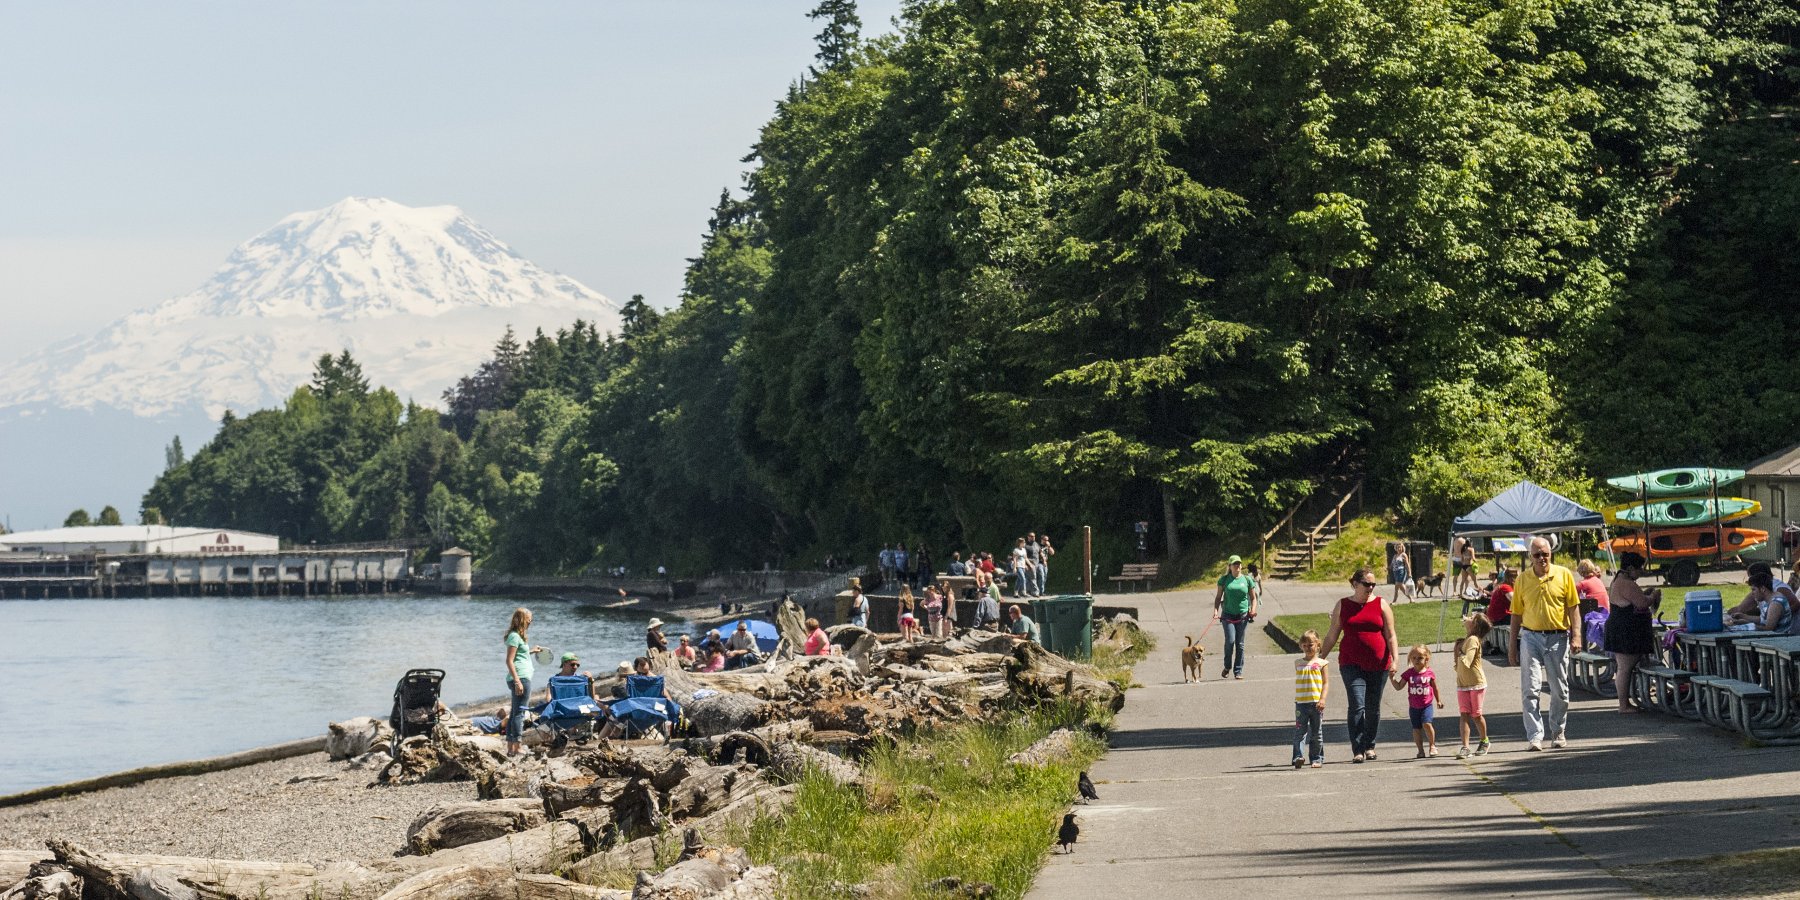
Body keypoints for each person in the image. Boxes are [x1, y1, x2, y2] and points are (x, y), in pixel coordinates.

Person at [1509, 536, 1582, 751]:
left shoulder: (1564, 575)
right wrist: (1512, 646)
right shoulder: (1523, 579)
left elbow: (1573, 608)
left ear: (1551, 554)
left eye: (1545, 554)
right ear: (1530, 557)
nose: (1542, 559)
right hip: (1531, 636)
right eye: (1537, 555)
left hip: (1557, 637)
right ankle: (1534, 736)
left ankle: (1558, 731)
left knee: (1559, 689)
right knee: (1530, 688)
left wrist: (1577, 635)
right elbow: (1516, 615)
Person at [1320, 568, 1398, 763]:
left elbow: (1391, 634)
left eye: (1373, 584)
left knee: (1373, 707)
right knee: (1357, 705)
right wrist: (1319, 658)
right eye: (1366, 584)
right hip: (1350, 663)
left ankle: (1370, 745)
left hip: (1379, 664)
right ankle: (1358, 749)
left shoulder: (1381, 604)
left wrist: (1395, 660)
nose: (1370, 588)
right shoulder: (1343, 605)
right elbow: (1332, 635)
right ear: (1355, 584)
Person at [1604, 552, 1660, 712]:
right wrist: (1653, 596)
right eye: (1639, 569)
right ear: (1630, 568)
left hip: (1623, 628)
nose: (1641, 572)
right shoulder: (1626, 583)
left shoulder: (1619, 580)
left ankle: (1627, 702)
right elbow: (1642, 603)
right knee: (1625, 668)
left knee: (1624, 668)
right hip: (1625, 631)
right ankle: (1624, 705)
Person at [502, 607, 545, 757]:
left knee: (515, 713)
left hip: (521, 677)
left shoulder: (518, 637)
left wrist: (531, 651)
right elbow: (509, 660)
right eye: (529, 618)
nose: (531, 621)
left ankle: (510, 748)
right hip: (520, 678)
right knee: (520, 713)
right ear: (522, 619)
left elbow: (520, 655)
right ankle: (517, 747)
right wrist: (517, 681)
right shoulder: (514, 636)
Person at [1391, 645, 1443, 758]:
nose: (1416, 660)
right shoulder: (1409, 673)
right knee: (1416, 728)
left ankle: (1432, 746)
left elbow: (1435, 688)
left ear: (1426, 659)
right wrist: (1392, 678)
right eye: (1413, 658)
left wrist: (1438, 700)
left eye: (1419, 658)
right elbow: (1399, 686)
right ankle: (1420, 750)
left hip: (1426, 705)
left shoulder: (1429, 673)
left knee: (1427, 724)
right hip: (1414, 707)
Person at [1213, 555, 1260, 680]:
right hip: (1228, 615)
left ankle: (1238, 671)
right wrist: (1216, 611)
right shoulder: (1224, 580)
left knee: (1240, 644)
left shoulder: (1247, 580)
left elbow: (1253, 598)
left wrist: (1253, 610)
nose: (1237, 566)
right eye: (1235, 564)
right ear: (1230, 566)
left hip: (1243, 615)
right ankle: (1227, 666)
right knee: (1230, 641)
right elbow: (1218, 598)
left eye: (1239, 563)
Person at [1454, 615, 1492, 757]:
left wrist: (1459, 652)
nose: (1467, 618)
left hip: (1476, 683)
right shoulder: (1466, 640)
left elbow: (1467, 661)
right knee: (1464, 714)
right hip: (1463, 684)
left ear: (1474, 625)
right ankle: (1465, 747)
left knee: (1476, 714)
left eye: (1471, 617)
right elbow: (1459, 665)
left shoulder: (1473, 640)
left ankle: (1484, 740)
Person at [1292, 629, 1329, 769]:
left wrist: (1323, 699)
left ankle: (1317, 757)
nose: (1308, 648)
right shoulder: (1298, 663)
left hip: (1316, 703)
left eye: (1311, 645)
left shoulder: (1322, 663)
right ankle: (1297, 757)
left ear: (1318, 645)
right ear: (1301, 646)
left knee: (1316, 732)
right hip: (1301, 703)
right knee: (1299, 731)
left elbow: (1325, 683)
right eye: (1305, 645)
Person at [1485, 568, 1516, 632]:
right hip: (1499, 617)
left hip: (1496, 617)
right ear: (1513, 578)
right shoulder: (1506, 587)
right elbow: (1515, 601)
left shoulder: (1502, 586)